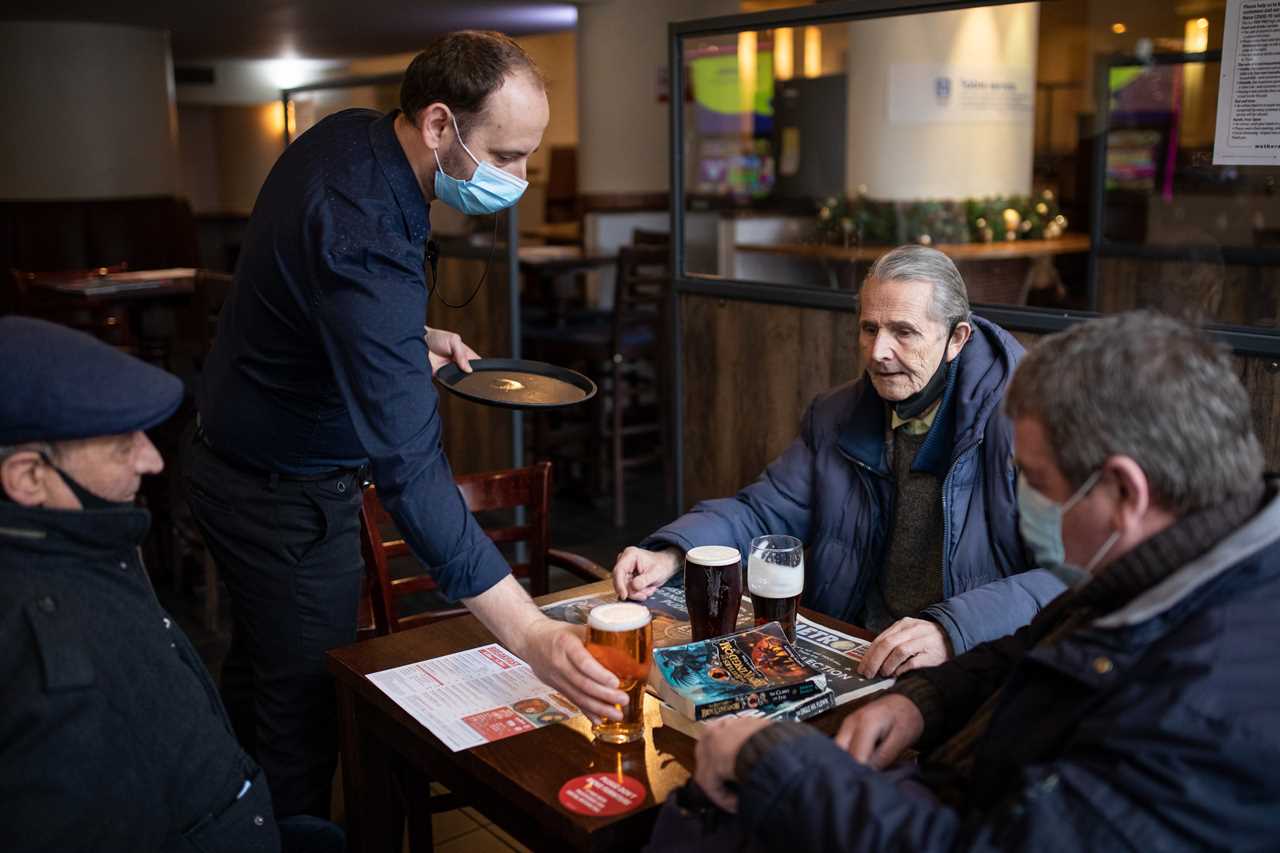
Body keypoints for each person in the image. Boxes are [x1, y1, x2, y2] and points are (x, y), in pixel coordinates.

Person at [187, 30, 626, 821]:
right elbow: (410, 467)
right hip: (280, 492)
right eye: (511, 154)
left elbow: (307, 287)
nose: (521, 179)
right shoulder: (360, 222)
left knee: (256, 680)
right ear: (437, 125)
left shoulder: (351, 136)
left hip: (231, 449)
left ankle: (226, 822)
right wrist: (529, 633)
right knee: (302, 718)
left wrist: (403, 337)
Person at [690, 311, 1280, 849]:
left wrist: (776, 764)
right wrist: (928, 699)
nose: (1027, 503)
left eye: (1039, 482)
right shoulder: (1178, 561)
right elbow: (1042, 648)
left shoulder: (1208, 715)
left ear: (1126, 494)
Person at [614, 245, 1061, 676]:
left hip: (969, 665)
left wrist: (953, 628)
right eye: (870, 329)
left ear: (956, 339)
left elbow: (1073, 577)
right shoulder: (837, 414)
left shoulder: (1028, 423)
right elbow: (763, 511)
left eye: (903, 332)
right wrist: (674, 553)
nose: (878, 352)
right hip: (855, 646)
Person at [0, 317, 335, 852]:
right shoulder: (46, 653)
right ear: (27, 476)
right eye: (120, 444)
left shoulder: (81, 543)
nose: (152, 460)